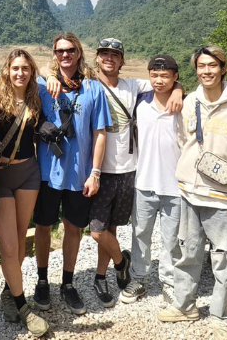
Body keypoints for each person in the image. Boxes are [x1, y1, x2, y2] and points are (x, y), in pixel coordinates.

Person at [46, 39, 183, 308]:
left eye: (115, 55)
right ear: (96, 59)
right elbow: (51, 70)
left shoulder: (134, 86)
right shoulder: (86, 84)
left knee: (111, 227)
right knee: (96, 231)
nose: (109, 58)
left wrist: (178, 88)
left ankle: (101, 277)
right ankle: (122, 262)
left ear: (122, 61)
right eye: (104, 54)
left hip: (130, 170)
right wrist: (50, 74)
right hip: (100, 171)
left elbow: (163, 82)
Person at [159, 45, 227, 340]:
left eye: (212, 66)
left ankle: (220, 317)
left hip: (221, 198)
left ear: (223, 69)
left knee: (222, 260)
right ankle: (185, 306)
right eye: (201, 66)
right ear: (196, 70)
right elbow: (183, 139)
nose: (206, 71)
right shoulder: (190, 101)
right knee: (187, 253)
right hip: (190, 193)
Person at [33, 32, 112, 315]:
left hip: (79, 175)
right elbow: (16, 72)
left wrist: (95, 173)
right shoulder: (42, 85)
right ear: (53, 55)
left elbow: (100, 133)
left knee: (73, 230)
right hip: (45, 173)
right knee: (43, 227)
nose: (64, 55)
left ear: (78, 53)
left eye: (70, 51)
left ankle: (67, 283)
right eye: (59, 51)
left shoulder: (93, 88)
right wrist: (44, 71)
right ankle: (42, 280)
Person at [0, 49, 48, 336]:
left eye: (25, 68)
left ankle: (9, 290)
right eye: (15, 68)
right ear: (6, 71)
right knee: (9, 246)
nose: (20, 73)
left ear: (32, 71)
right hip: (0, 177)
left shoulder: (37, 98)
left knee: (21, 240)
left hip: (28, 173)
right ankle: (23, 305)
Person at [121, 54, 184, 305]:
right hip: (144, 183)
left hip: (176, 186)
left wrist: (179, 92)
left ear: (175, 77)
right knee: (140, 236)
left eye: (165, 76)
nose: (159, 80)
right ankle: (139, 279)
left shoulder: (185, 106)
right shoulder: (139, 102)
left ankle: (169, 282)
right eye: (154, 75)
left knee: (172, 240)